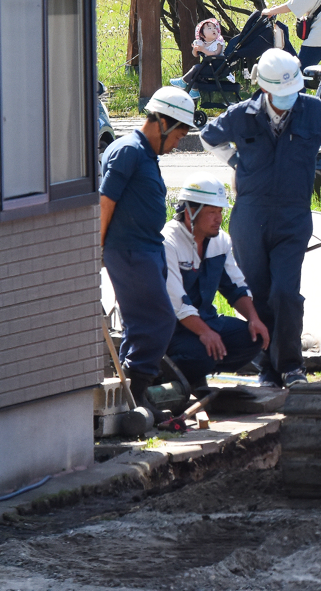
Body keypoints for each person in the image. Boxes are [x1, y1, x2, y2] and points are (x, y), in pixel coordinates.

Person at [199, 48, 321, 386]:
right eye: (281, 94)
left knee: (285, 292)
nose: (289, 99)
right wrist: (235, 164)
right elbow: (208, 137)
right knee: (256, 292)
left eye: (294, 92)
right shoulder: (241, 114)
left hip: (293, 216)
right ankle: (268, 369)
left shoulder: (314, 112)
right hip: (250, 215)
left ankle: (291, 366)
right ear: (264, 89)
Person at [100, 88, 196, 420]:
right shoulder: (127, 151)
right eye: (179, 134)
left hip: (145, 250)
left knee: (141, 325)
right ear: (163, 122)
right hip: (129, 251)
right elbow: (105, 203)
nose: (179, 143)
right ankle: (135, 395)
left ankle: (129, 398)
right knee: (158, 321)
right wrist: (92, 251)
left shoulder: (145, 155)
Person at [163, 175, 270, 390]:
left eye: (220, 212)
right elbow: (177, 304)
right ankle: (169, 373)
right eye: (212, 212)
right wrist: (205, 333)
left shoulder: (220, 241)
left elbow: (236, 287)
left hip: (206, 320)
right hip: (172, 330)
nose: (218, 218)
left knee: (253, 339)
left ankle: (200, 368)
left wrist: (254, 319)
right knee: (202, 355)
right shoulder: (168, 242)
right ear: (190, 212)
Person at [170, 18, 231, 97]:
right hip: (209, 67)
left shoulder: (218, 42)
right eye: (209, 28)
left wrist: (203, 50)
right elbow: (195, 55)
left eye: (215, 28)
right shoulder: (203, 43)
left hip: (217, 67)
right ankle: (194, 91)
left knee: (196, 68)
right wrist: (195, 50)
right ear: (202, 35)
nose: (213, 30)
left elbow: (216, 53)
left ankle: (183, 81)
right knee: (196, 74)